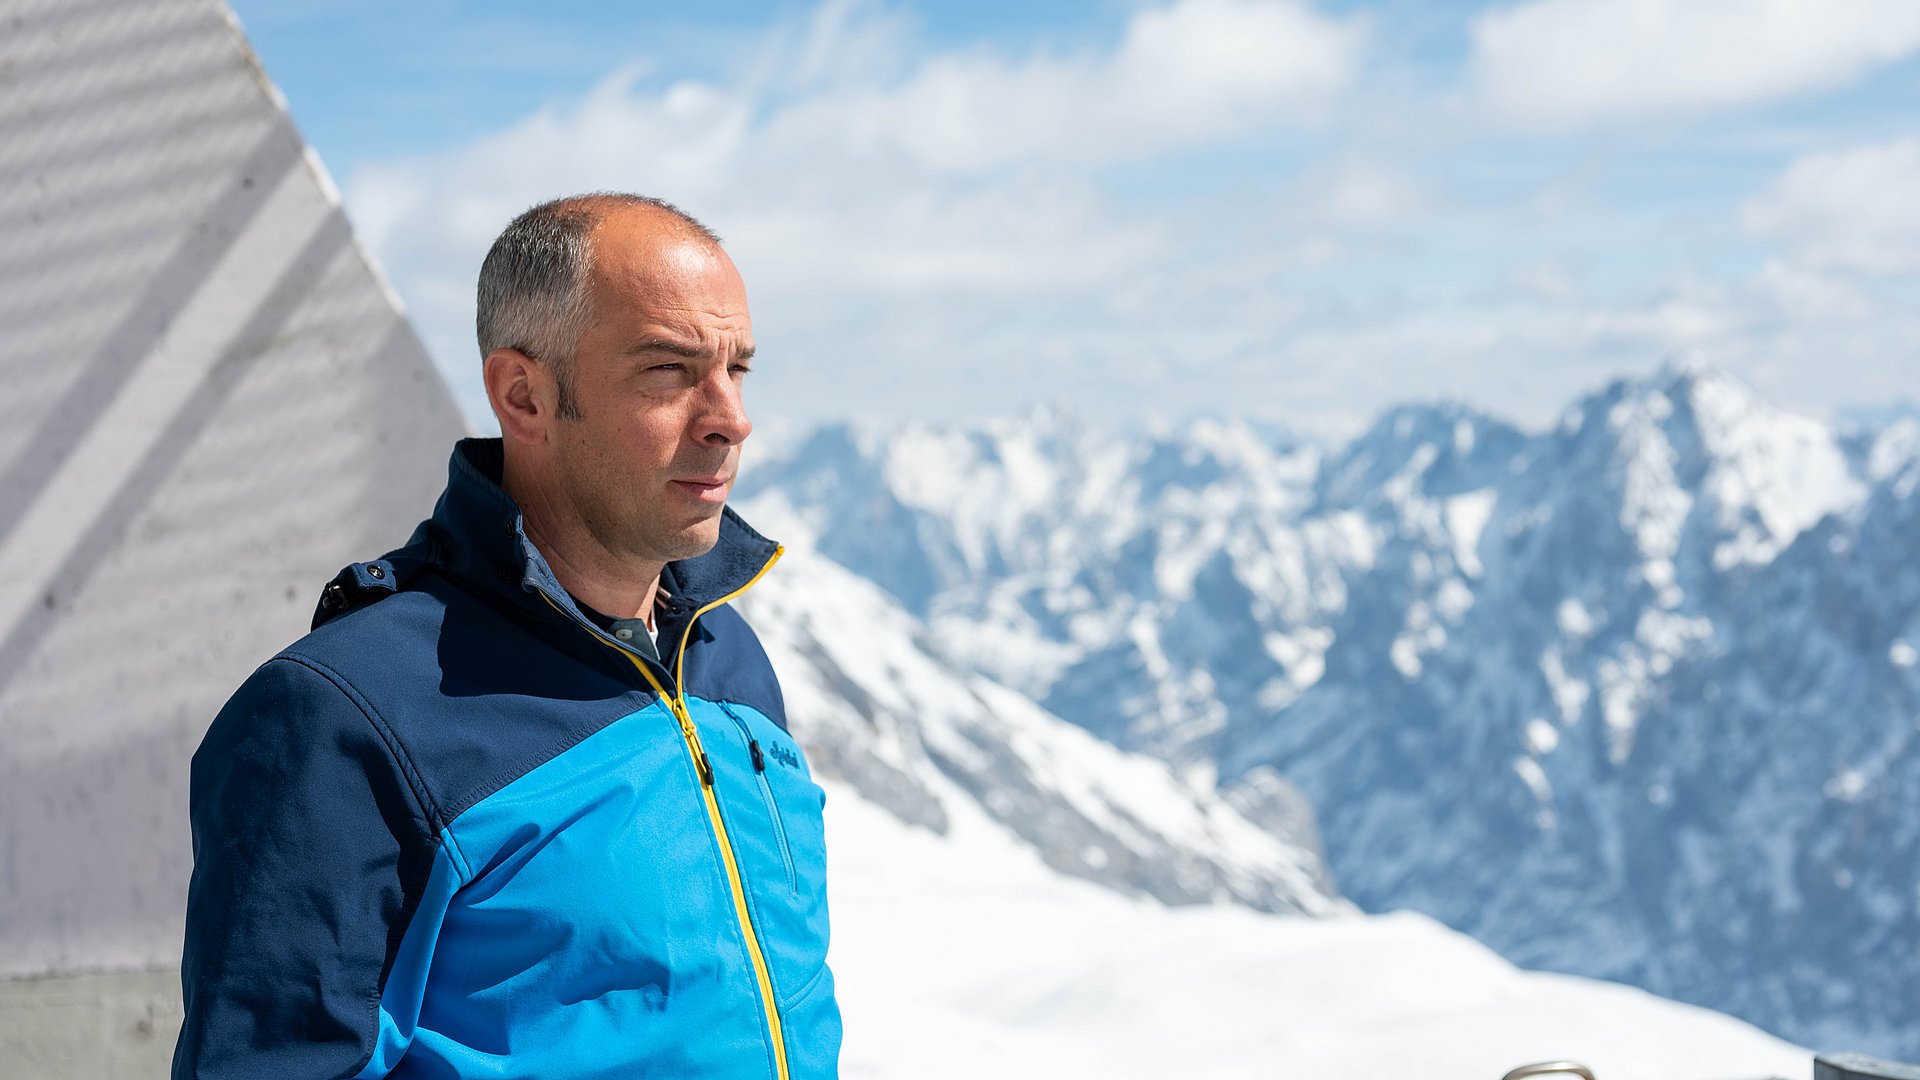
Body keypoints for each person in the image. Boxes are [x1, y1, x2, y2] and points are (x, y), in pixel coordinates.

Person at [174, 194, 841, 1079]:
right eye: (670, 372)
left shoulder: (729, 661)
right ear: (523, 395)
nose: (729, 417)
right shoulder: (348, 717)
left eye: (737, 369)